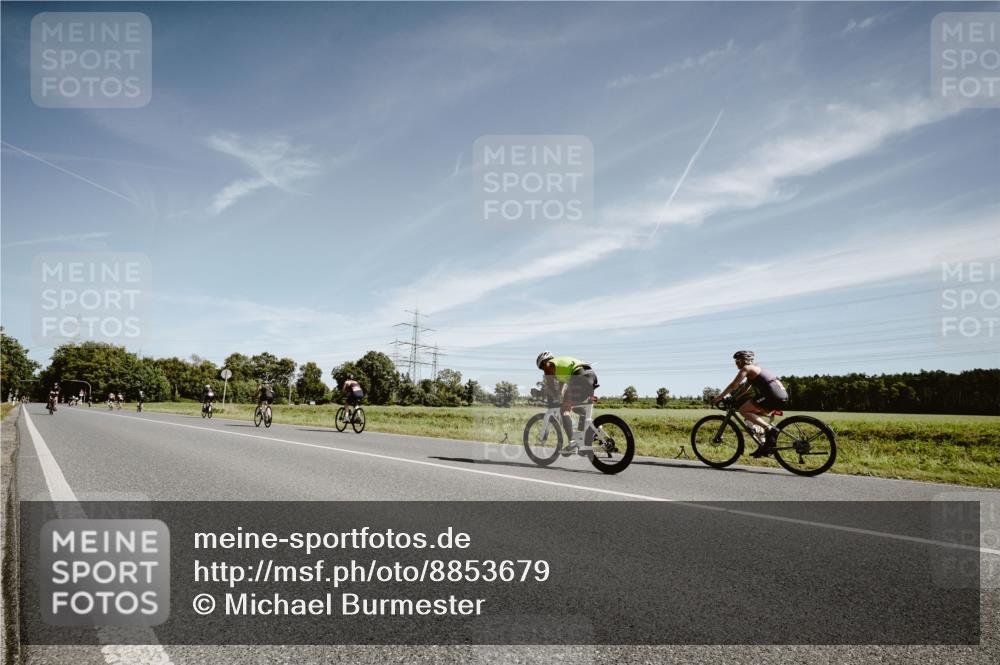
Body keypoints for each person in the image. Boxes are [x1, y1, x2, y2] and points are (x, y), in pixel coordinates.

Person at [713, 350, 789, 457]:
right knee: (752, 418)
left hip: (771, 395)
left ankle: (770, 429)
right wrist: (734, 398)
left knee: (743, 410)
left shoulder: (747, 369)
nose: (736, 363)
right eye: (736, 361)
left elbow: (734, 385)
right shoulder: (756, 369)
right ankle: (765, 445)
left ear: (745, 360)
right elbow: (745, 388)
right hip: (780, 396)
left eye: (738, 360)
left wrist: (719, 397)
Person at [533, 351, 599, 454]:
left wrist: (539, 393)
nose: (543, 369)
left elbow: (550, 386)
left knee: (564, 410)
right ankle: (583, 441)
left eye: (542, 366)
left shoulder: (549, 364)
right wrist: (559, 397)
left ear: (545, 361)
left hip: (579, 377)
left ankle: (572, 444)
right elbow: (560, 391)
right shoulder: (561, 367)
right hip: (591, 377)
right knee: (572, 406)